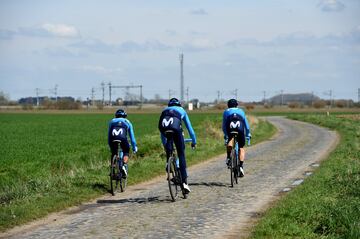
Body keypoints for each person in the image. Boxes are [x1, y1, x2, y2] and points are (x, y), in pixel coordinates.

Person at [158, 98, 196, 193]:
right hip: (176, 128)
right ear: (179, 105)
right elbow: (189, 128)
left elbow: (162, 135)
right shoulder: (181, 110)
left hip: (163, 128)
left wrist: (166, 146)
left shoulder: (164, 111)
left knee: (169, 140)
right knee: (181, 153)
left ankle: (168, 162)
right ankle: (184, 183)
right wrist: (194, 141)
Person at [222, 99, 251, 177]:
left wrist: (226, 135)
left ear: (228, 105)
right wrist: (248, 134)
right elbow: (247, 126)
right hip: (240, 129)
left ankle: (228, 157)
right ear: (236, 105)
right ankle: (241, 166)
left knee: (230, 139)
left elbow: (224, 126)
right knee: (241, 147)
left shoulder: (226, 112)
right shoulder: (241, 111)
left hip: (230, 129)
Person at [108, 109, 138, 178]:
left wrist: (110, 145)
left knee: (114, 152)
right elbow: (132, 137)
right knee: (126, 150)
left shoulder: (112, 121)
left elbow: (109, 136)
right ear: (124, 116)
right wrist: (134, 147)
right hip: (123, 139)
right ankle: (123, 165)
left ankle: (113, 169)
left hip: (113, 139)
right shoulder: (127, 122)